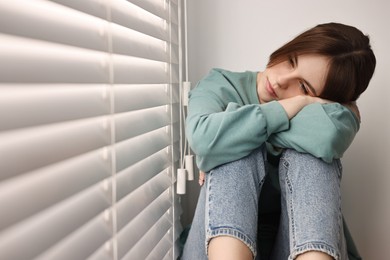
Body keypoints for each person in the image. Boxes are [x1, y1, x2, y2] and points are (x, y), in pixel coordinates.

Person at [180, 22, 376, 260]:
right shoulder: (219, 84)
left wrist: (226, 135)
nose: (282, 80)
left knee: (310, 158)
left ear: (328, 101)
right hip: (214, 245)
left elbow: (330, 137)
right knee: (242, 153)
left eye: (303, 87)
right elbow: (202, 137)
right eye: (291, 60)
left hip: (299, 244)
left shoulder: (334, 119)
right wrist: (295, 104)